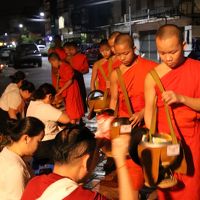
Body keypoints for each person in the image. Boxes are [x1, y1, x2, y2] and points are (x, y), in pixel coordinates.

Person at [144, 24, 200, 200]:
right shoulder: (152, 77)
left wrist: (182, 98)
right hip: (164, 141)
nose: (167, 58)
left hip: (192, 140)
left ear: (183, 45)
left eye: (173, 52)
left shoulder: (197, 69)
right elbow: (149, 113)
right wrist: (154, 143)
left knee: (192, 190)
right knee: (167, 190)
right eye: (162, 53)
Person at [21, 126, 137, 200]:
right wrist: (121, 160)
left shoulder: (34, 183)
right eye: (98, 156)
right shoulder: (87, 198)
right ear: (86, 161)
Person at [109, 33, 157, 191]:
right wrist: (111, 123)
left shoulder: (150, 67)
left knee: (150, 158)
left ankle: (150, 186)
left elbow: (157, 98)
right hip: (126, 122)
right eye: (118, 54)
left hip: (148, 119)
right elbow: (114, 100)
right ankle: (135, 190)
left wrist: (143, 112)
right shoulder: (116, 74)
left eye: (126, 53)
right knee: (130, 162)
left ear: (134, 48)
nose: (122, 58)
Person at [0, 117, 45, 200]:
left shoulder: (7, 154)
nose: (40, 146)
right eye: (38, 141)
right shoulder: (15, 169)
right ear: (26, 138)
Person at [48, 53, 84, 124]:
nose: (52, 65)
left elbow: (70, 81)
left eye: (52, 63)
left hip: (71, 89)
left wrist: (60, 91)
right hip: (67, 89)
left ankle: (73, 124)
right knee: (70, 107)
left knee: (72, 107)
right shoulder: (61, 67)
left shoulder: (66, 66)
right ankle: (74, 123)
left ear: (55, 60)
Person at [66, 42, 89, 114]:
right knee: (72, 98)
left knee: (81, 97)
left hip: (79, 80)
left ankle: (81, 114)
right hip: (70, 81)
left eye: (73, 49)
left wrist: (78, 73)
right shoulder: (66, 59)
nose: (71, 51)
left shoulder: (82, 57)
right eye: (70, 49)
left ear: (77, 49)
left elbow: (86, 70)